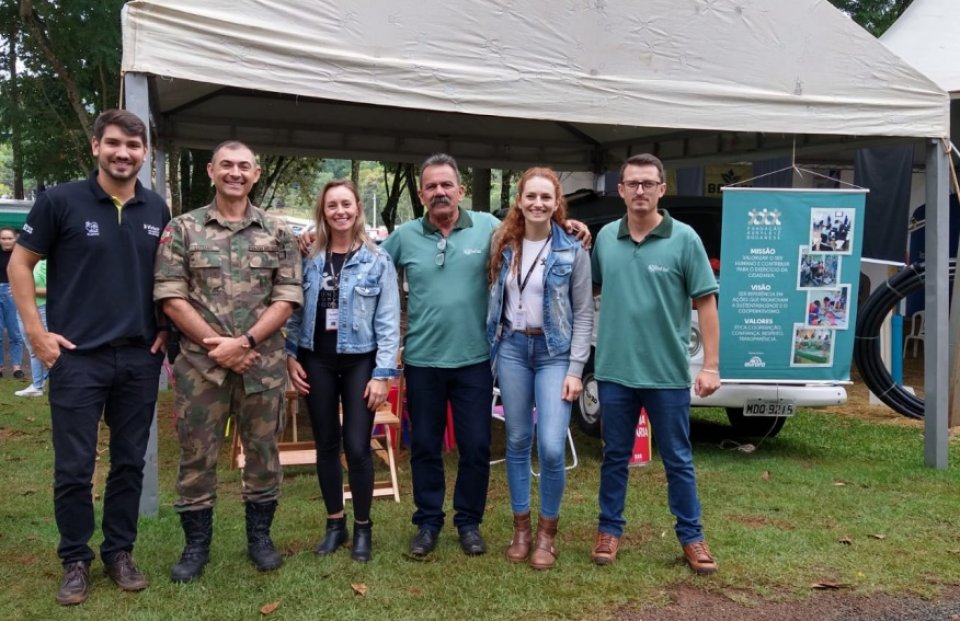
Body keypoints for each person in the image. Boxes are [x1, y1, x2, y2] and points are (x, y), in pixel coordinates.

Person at [7, 109, 170, 605]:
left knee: (128, 464)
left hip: (139, 359)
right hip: (77, 359)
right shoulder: (60, 201)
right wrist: (37, 335)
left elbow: (166, 279)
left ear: (144, 155)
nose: (124, 153)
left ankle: (119, 552)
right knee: (75, 467)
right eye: (115, 143)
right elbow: (20, 263)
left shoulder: (157, 209)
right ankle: (74, 558)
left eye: (134, 146)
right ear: (96, 146)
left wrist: (163, 328)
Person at [154, 141, 302, 582]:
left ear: (256, 173)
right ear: (211, 171)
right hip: (202, 367)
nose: (235, 173)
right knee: (196, 454)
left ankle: (260, 538)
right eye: (227, 166)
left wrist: (245, 341)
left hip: (262, 362)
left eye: (243, 166)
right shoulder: (183, 229)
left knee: (263, 453)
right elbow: (170, 294)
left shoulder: (278, 232)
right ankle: (196, 545)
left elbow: (288, 296)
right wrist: (219, 345)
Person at [590, 153, 721, 575]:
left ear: (662, 189)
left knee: (678, 459)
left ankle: (692, 536)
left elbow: (706, 303)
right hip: (614, 371)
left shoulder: (685, 240)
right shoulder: (606, 239)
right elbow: (586, 287)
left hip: (666, 373)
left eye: (649, 183)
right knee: (615, 456)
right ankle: (609, 531)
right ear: (621, 190)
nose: (640, 190)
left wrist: (711, 366)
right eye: (633, 183)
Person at [285, 180, 400, 562]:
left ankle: (364, 527)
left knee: (356, 445)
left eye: (346, 204)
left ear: (357, 209)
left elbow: (388, 321)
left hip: (360, 360)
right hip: (315, 357)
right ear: (323, 210)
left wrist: (383, 374)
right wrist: (289, 356)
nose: (340, 211)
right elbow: (293, 309)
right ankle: (335, 523)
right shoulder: (308, 258)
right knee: (326, 444)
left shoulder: (377, 260)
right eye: (332, 205)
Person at [485, 167, 593, 570]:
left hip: (555, 354)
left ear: (556, 202)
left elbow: (583, 314)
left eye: (546, 197)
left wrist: (576, 369)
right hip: (512, 349)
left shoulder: (573, 249)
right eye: (530, 196)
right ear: (519, 200)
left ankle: (548, 534)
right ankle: (521, 529)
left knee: (550, 445)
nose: (538, 203)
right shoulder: (502, 242)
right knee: (516, 440)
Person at [14, 259, 48, 396]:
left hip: (39, 310)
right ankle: (39, 384)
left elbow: (54, 290)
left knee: (40, 348)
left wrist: (26, 290)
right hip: (23, 309)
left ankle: (38, 386)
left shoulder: (46, 263)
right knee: (33, 350)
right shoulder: (26, 262)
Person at [0, 227, 25, 379]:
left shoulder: (20, 255)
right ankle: (0, 367)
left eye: (9, 238)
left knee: (15, 332)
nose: (6, 241)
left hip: (13, 292)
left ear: (16, 239)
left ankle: (17, 367)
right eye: (3, 238)